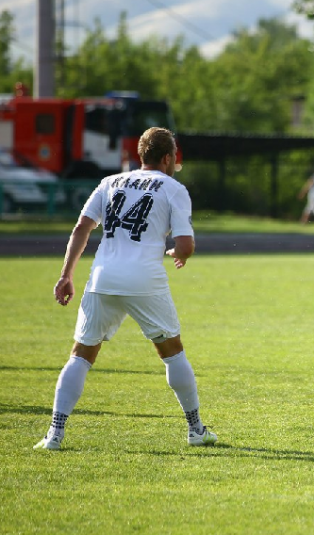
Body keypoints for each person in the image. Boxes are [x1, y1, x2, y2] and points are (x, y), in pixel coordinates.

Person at [34, 127, 217, 450]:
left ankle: (54, 433)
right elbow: (186, 244)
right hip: (144, 280)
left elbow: (82, 228)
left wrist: (66, 275)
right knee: (172, 353)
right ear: (166, 158)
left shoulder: (110, 182)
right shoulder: (173, 188)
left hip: (103, 277)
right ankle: (196, 429)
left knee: (80, 356)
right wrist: (178, 254)